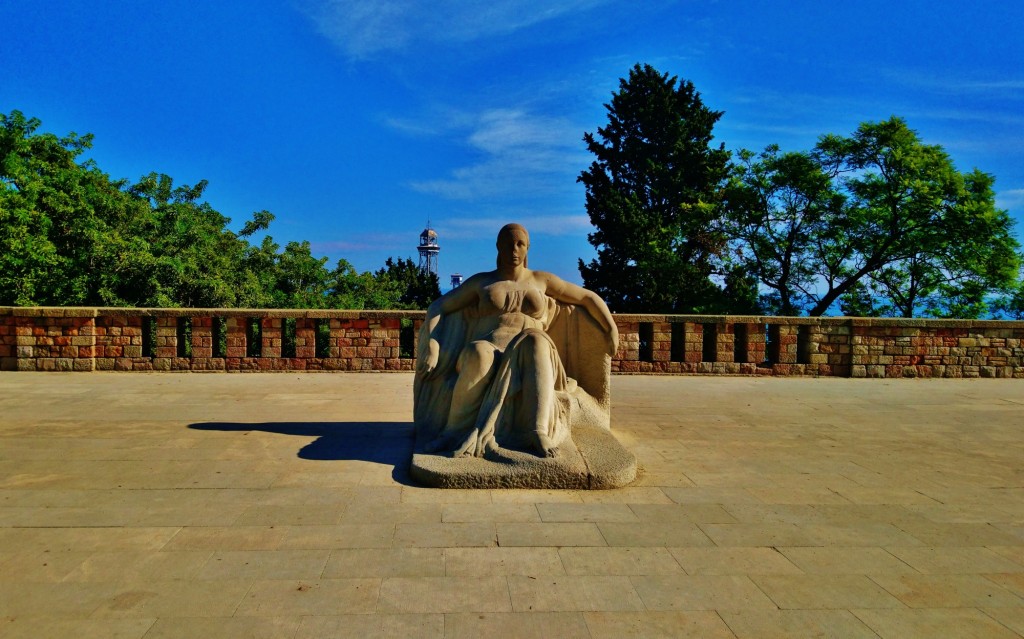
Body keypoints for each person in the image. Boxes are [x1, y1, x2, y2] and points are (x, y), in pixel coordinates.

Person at [414, 223, 618, 458]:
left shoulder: (541, 280)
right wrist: (432, 342)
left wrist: (610, 327)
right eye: (508, 244)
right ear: (498, 247)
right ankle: (452, 431)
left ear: (527, 248)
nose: (514, 249)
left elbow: (586, 297)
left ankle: (538, 431)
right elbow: (439, 306)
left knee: (535, 341)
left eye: (520, 244)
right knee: (478, 354)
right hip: (490, 345)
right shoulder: (482, 282)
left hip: (532, 348)